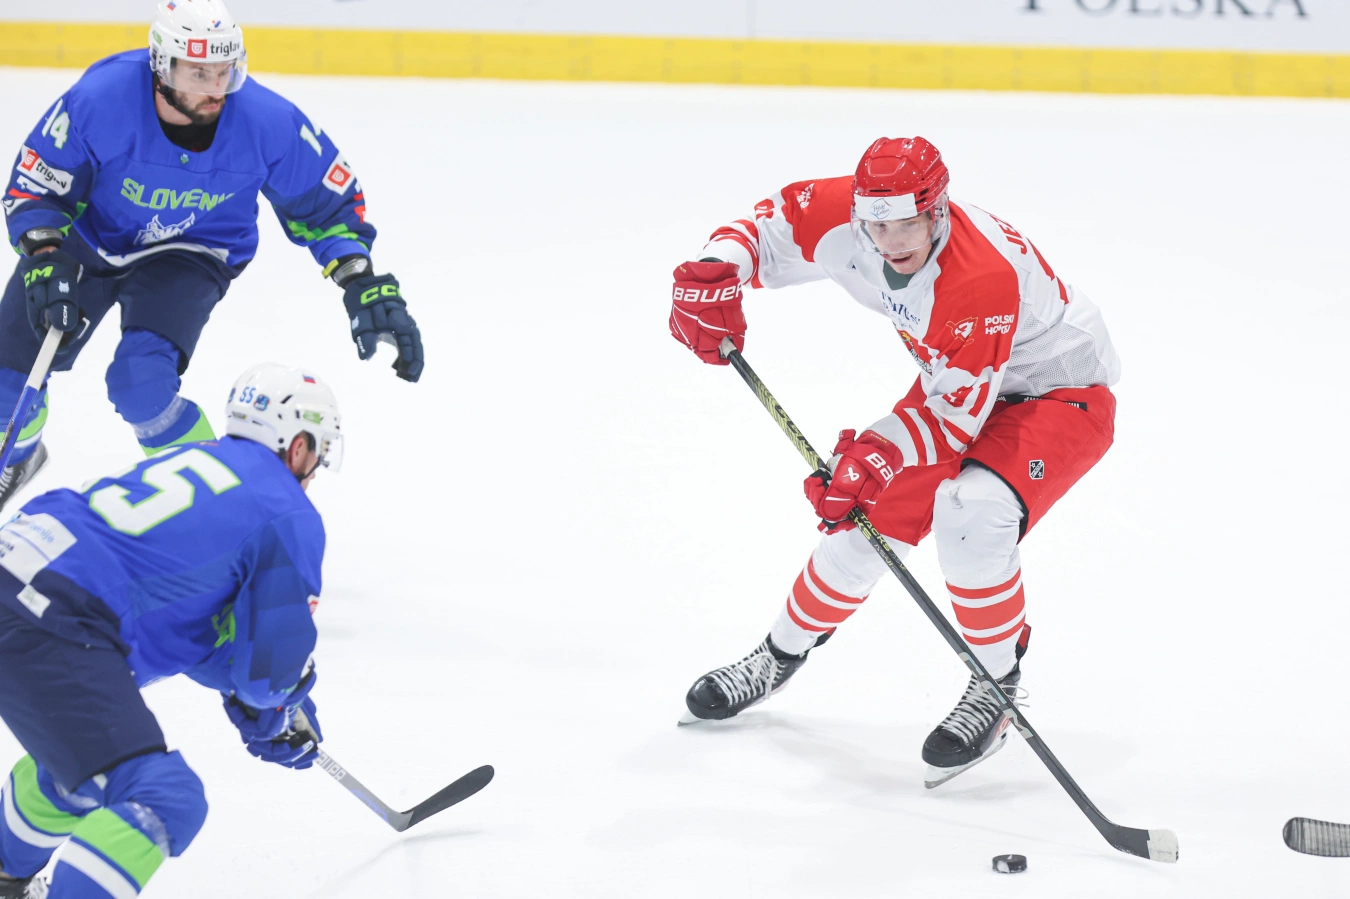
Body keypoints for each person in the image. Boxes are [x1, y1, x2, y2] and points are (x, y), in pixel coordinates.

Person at [670, 136, 1121, 788]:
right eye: (877, 226)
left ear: (938, 209)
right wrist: (714, 272)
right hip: (957, 379)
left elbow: (957, 421)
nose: (891, 241)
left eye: (908, 223)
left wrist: (876, 452)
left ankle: (996, 685)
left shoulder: (979, 276)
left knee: (972, 512)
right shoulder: (850, 214)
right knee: (863, 524)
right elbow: (764, 227)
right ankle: (777, 656)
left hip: (1057, 391)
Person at [0, 0, 422, 511]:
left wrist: (359, 278)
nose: (216, 87)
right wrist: (45, 254)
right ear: (161, 66)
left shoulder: (267, 121)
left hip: (190, 253)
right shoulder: (100, 99)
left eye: (224, 70)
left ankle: (217, 505)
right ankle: (14, 457)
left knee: (141, 385)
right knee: (7, 379)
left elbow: (326, 204)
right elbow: (38, 183)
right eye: (198, 73)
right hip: (87, 241)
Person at [0, 363, 340, 898]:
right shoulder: (285, 510)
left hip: (20, 570)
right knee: (163, 797)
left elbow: (183, 623)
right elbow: (267, 677)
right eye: (318, 452)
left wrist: (251, 692)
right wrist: (278, 701)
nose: (315, 470)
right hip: (55, 616)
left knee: (80, 768)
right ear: (298, 446)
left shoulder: (198, 458)